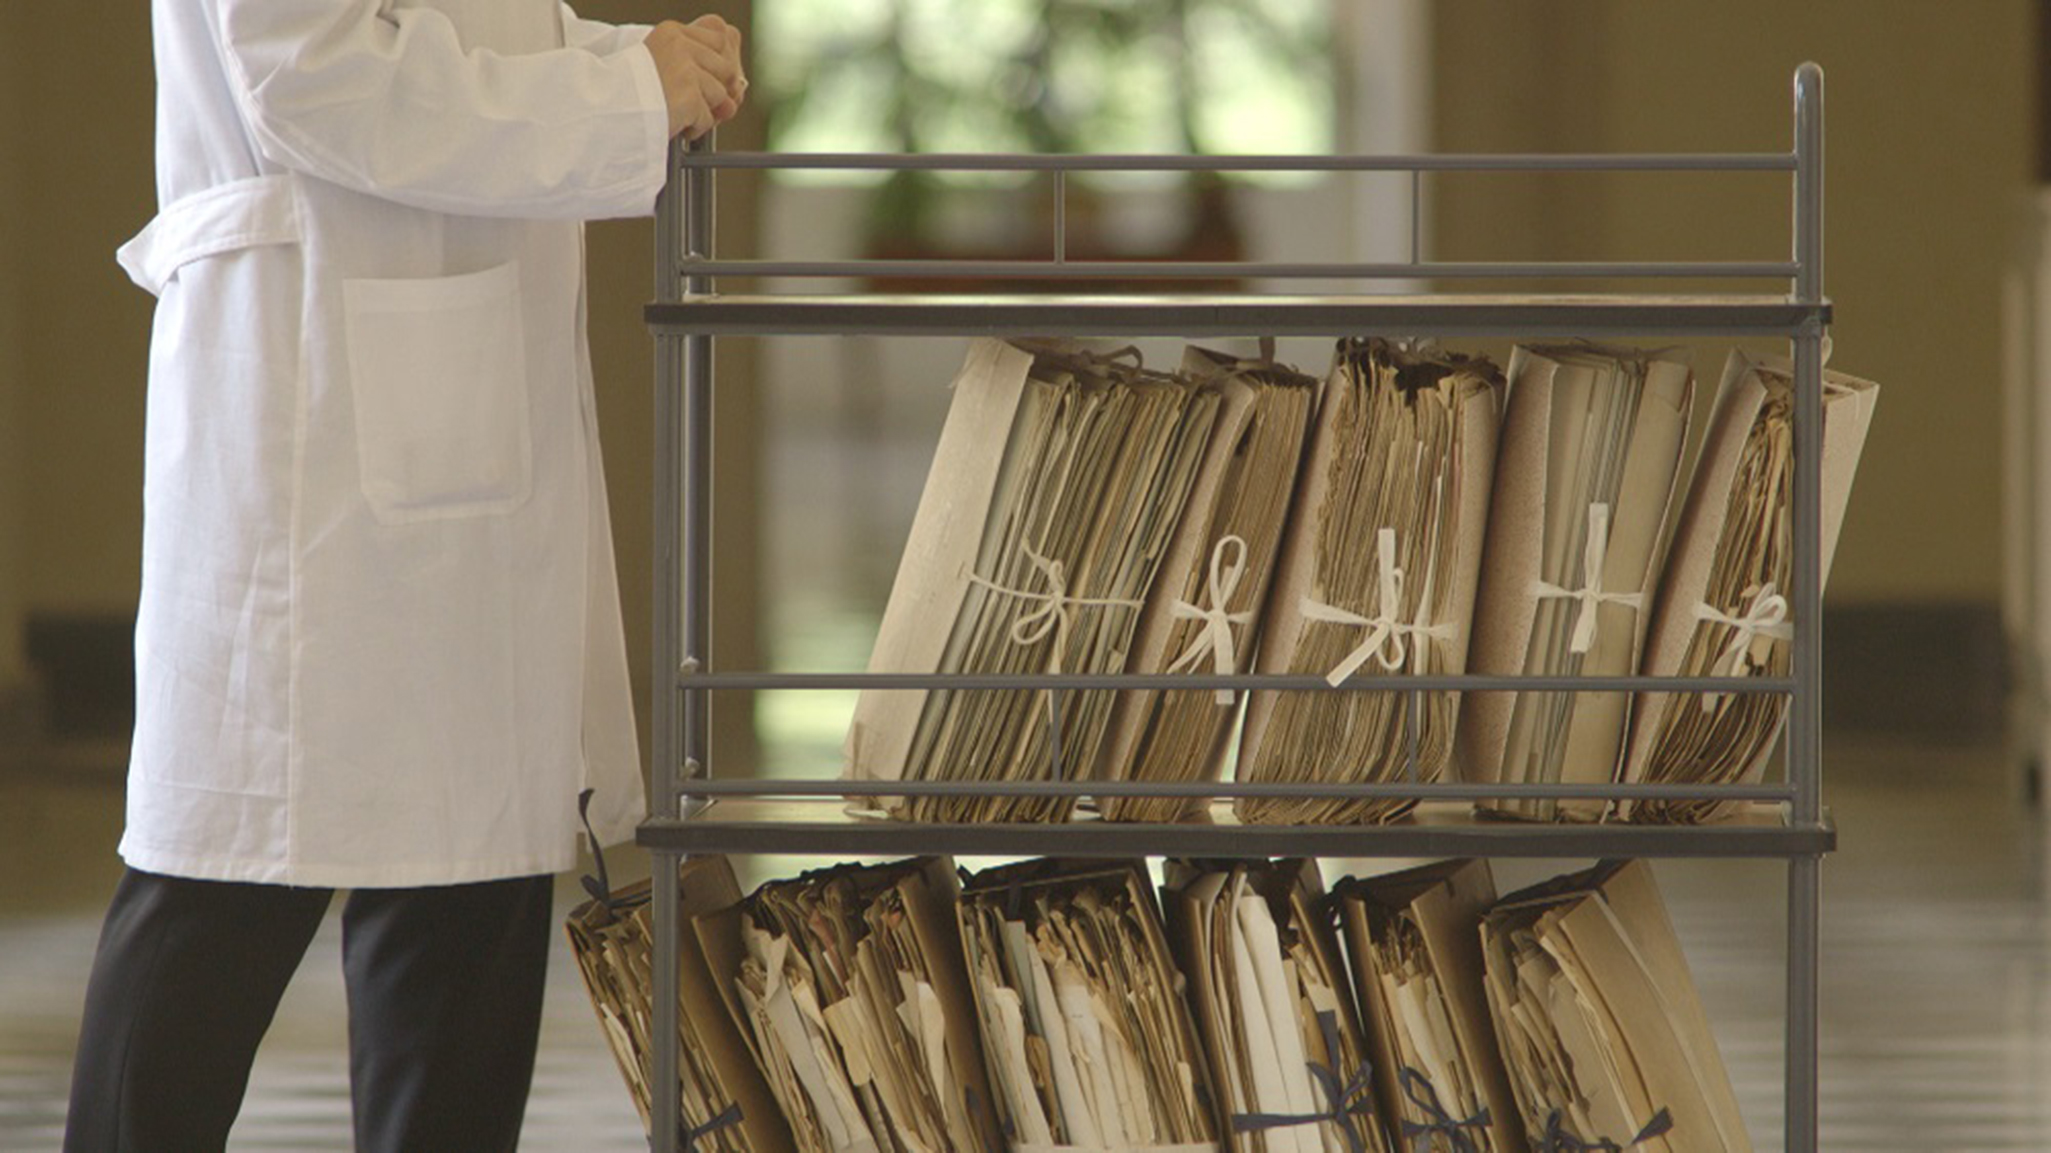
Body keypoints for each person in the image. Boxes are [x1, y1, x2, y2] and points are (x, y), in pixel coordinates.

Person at [65, 2, 746, 1149]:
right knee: (230, 879)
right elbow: (307, 70)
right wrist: (619, 97)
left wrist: (626, 61)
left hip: (435, 363)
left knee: (469, 876)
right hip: (312, 382)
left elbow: (458, 25)